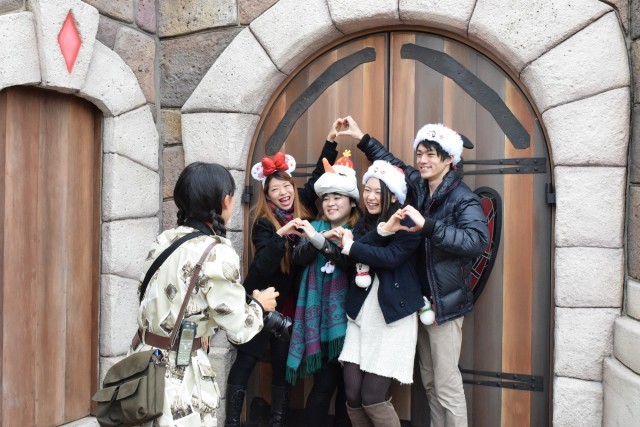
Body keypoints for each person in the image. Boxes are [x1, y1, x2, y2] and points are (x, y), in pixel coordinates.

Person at [339, 117, 489, 427]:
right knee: (430, 383)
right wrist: (361, 138)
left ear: (449, 159)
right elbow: (391, 162)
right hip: (416, 301)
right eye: (420, 153)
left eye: (431, 154)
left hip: (443, 303)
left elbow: (476, 241)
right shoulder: (419, 186)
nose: (422, 160)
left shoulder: (463, 198)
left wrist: (428, 226)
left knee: (447, 385)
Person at [132, 162, 279, 427]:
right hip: (180, 374)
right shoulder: (217, 253)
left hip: (142, 364)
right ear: (225, 200)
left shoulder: (163, 240)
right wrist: (260, 305)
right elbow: (239, 329)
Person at [225, 137, 338, 427]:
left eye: (286, 186)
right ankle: (232, 421)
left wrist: (329, 143)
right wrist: (281, 234)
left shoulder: (303, 209)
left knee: (282, 365)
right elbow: (262, 266)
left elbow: (317, 178)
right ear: (268, 195)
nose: (283, 192)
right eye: (275, 189)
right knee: (247, 359)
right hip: (262, 302)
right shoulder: (264, 223)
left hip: (290, 304)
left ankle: (278, 421)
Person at [337, 160, 423, 427]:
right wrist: (381, 231)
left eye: (378, 191)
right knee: (353, 395)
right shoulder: (364, 223)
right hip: (361, 315)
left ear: (393, 195)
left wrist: (353, 246)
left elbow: (391, 257)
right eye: (367, 190)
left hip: (392, 317)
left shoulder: (408, 222)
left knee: (372, 396)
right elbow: (350, 257)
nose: (371, 197)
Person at [288, 151, 360, 427]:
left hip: (352, 322)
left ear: (352, 202)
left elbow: (349, 264)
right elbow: (298, 258)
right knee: (323, 386)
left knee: (349, 392)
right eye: (326, 198)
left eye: (337, 197)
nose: (330, 203)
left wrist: (325, 242)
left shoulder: (360, 231)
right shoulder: (313, 227)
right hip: (320, 322)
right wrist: (320, 236)